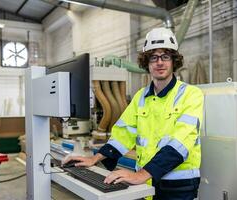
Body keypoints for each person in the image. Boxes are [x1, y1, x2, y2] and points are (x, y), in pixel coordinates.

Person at [63, 27, 204, 200]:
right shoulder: (141, 97)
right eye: (153, 57)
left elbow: (180, 143)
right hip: (147, 183)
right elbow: (123, 134)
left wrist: (140, 175)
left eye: (165, 56)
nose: (160, 62)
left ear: (174, 61)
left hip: (178, 187)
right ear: (147, 63)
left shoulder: (191, 94)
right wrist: (95, 158)